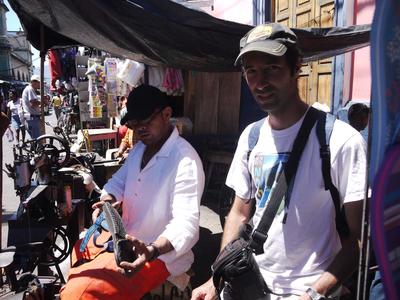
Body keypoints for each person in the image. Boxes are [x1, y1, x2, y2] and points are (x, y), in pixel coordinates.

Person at [192, 23, 367, 300]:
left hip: (311, 290)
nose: (260, 83)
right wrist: (218, 277)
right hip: (250, 285)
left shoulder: (341, 141)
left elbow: (357, 239)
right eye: (251, 71)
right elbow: (239, 213)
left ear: (297, 66)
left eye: (271, 68)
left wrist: (313, 294)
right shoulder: (251, 137)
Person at [60, 85, 205, 299]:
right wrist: (108, 202)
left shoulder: (185, 160)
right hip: (127, 243)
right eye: (135, 125)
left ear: (166, 115)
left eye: (146, 122)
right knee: (78, 251)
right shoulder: (139, 150)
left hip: (160, 256)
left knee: (81, 293)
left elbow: (186, 224)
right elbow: (117, 183)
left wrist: (152, 250)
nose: (141, 129)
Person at [22, 75, 42, 139]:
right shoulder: (30, 89)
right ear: (34, 82)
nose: (40, 85)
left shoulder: (29, 89)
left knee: (34, 139)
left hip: (31, 118)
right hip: (32, 118)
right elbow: (33, 104)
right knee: (37, 139)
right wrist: (42, 102)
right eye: (39, 83)